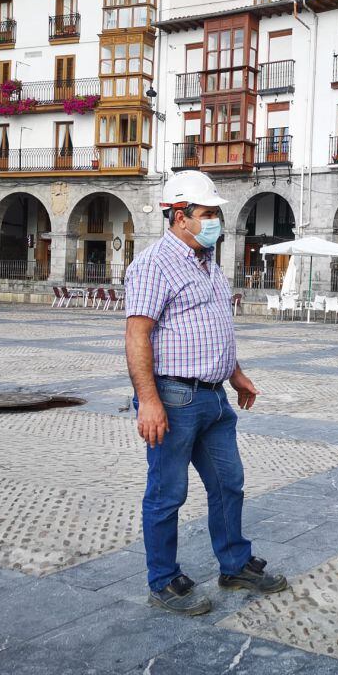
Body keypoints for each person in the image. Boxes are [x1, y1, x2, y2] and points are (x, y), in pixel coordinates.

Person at [124, 170, 287, 617]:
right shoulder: (154, 265)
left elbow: (214, 327)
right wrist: (150, 401)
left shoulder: (208, 263)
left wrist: (235, 374)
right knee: (167, 493)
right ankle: (164, 579)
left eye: (215, 213)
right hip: (173, 398)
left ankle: (234, 564)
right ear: (179, 216)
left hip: (214, 397)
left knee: (228, 482)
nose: (215, 220)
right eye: (208, 213)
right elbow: (138, 336)